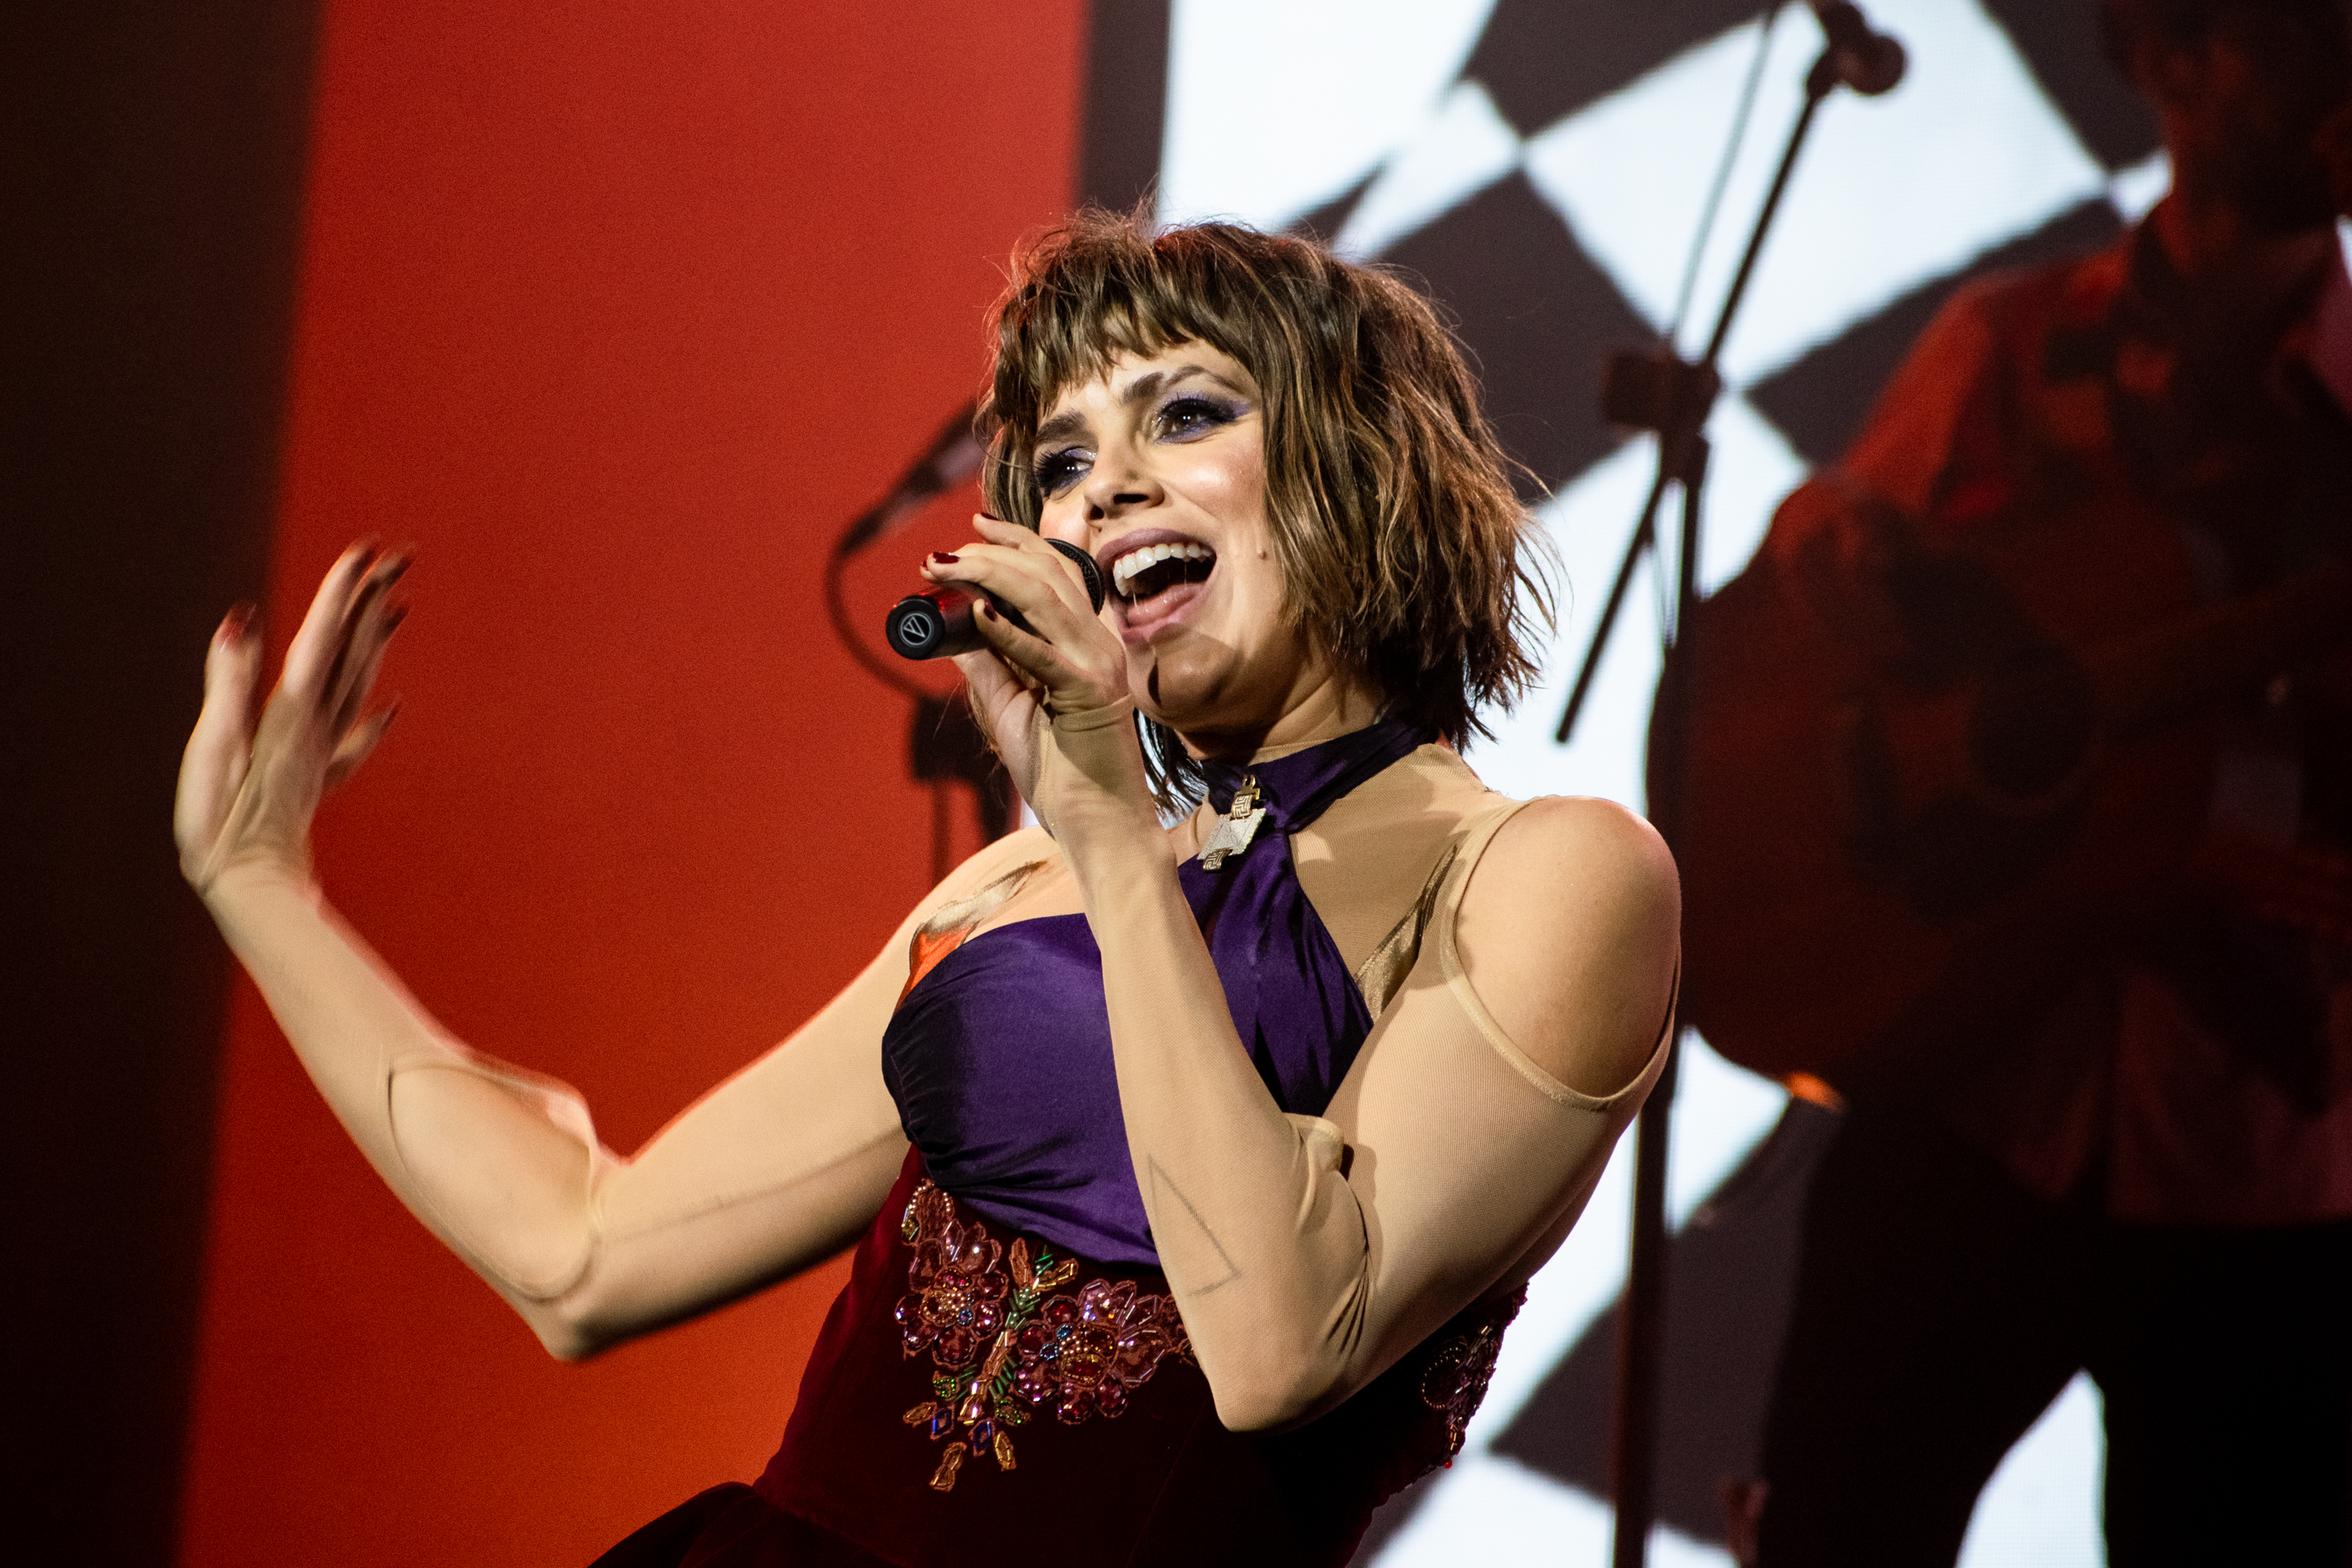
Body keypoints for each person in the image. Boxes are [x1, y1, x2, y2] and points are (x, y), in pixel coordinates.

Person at [173, 213, 1682, 1566]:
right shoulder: (1021, 883)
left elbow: (1282, 1348)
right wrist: (258, 887)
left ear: (1359, 465)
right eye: (1068, 462)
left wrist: (1100, 832)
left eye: (1189, 416)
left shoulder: (1551, 877)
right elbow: (582, 1252)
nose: (1106, 494)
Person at [1685, 2, 2352, 1561]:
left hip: (2260, 1168)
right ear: (2173, 60)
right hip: (1972, 1090)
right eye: (2301, 36)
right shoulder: (2010, 342)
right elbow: (1817, 627)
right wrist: (1833, 561)